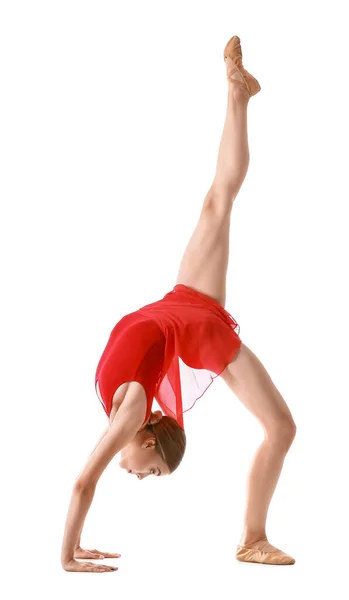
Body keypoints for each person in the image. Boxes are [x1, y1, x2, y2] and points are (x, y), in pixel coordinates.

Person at [61, 35, 297, 573]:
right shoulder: (133, 408)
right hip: (185, 311)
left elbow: (82, 482)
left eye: (148, 474)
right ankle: (239, 97)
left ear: (145, 437)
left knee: (219, 200)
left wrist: (67, 556)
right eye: (153, 473)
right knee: (217, 200)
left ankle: (237, 95)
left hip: (186, 309)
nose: (141, 477)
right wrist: (72, 550)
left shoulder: (129, 413)